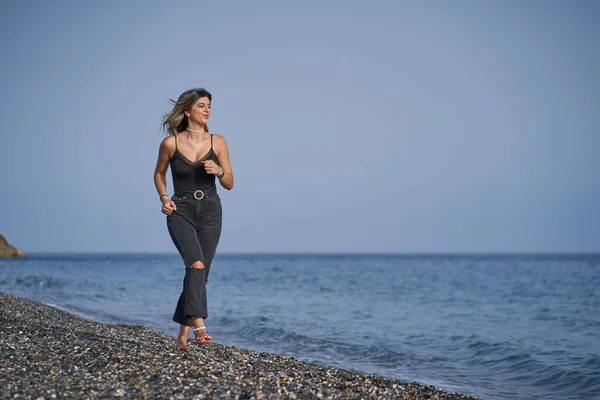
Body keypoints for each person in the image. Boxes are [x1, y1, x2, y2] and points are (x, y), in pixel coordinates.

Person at [153, 88, 234, 352]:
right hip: (181, 210)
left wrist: (219, 170)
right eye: (201, 105)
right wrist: (165, 198)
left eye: (209, 105)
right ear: (188, 111)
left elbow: (230, 183)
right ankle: (199, 325)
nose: (207, 109)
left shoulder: (217, 141)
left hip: (211, 210)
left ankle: (181, 337)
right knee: (196, 265)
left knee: (199, 274)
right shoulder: (171, 144)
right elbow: (159, 174)